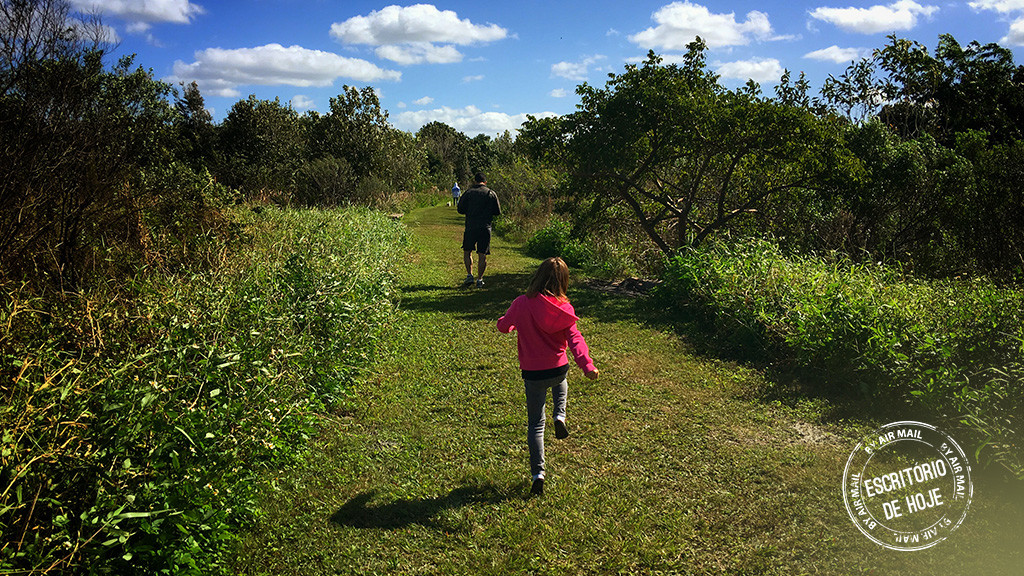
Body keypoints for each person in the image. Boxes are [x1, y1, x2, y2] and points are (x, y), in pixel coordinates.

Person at [497, 257, 600, 496]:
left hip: (533, 373)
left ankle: (538, 474)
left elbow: (503, 326)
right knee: (561, 381)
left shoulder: (522, 303)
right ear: (563, 281)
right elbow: (575, 340)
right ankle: (560, 415)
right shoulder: (565, 309)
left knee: (535, 424)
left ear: (538, 276)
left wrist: (509, 324)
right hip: (557, 368)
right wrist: (587, 366)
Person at [456, 173, 501, 287]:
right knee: (482, 254)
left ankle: (469, 275)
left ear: (475, 181)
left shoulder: (469, 193)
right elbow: (497, 212)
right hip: (485, 227)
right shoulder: (491, 193)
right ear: (485, 182)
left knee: (467, 251)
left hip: (471, 226)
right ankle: (480, 279)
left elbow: (460, 209)